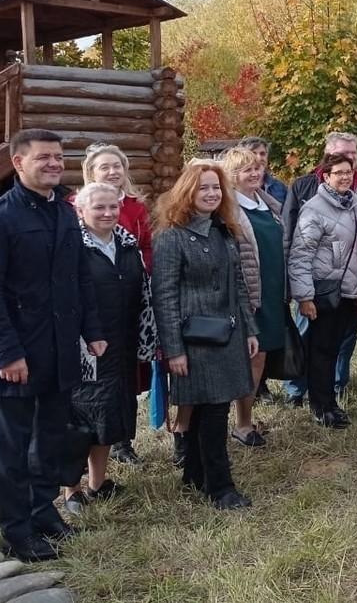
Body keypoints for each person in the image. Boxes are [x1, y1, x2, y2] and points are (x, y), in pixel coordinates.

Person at [0, 129, 106, 561]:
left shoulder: (64, 213)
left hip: (60, 349)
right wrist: (7, 353)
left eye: (58, 156)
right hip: (16, 356)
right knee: (13, 449)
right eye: (43, 157)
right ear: (18, 163)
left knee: (51, 438)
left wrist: (93, 329)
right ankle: (17, 530)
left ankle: (43, 511)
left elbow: (79, 277)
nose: (52, 163)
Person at [152, 160, 258, 510]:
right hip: (193, 341)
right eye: (204, 188)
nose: (211, 194)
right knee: (212, 413)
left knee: (210, 410)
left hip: (227, 334)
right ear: (187, 192)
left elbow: (239, 285)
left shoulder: (223, 231)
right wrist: (174, 350)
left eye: (216, 187)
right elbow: (163, 296)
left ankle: (194, 475)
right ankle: (221, 488)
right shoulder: (171, 238)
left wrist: (249, 329)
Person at [62, 183, 156, 515]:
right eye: (99, 208)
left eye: (112, 207)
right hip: (85, 347)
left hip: (123, 343)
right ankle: (71, 490)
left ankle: (98, 483)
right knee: (82, 417)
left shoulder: (127, 244)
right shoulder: (72, 247)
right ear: (81, 211)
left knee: (110, 413)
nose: (107, 213)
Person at [281, 132, 357, 406]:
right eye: (339, 173)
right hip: (323, 290)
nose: (345, 177)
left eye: (349, 172)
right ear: (326, 176)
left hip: (347, 291)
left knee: (335, 348)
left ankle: (328, 403)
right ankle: (320, 406)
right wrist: (304, 296)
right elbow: (300, 254)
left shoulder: (355, 206)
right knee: (320, 350)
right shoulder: (314, 209)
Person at [79, 143, 153, 464]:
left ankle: (124, 441)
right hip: (94, 312)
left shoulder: (136, 207)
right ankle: (84, 452)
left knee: (128, 379)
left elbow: (146, 248)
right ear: (91, 173)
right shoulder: (80, 208)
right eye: (104, 167)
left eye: (117, 166)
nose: (112, 172)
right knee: (92, 388)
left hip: (130, 301)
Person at [223, 146, 287, 447]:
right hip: (249, 297)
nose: (254, 172)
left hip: (273, 293)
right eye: (245, 169)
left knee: (260, 358)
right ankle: (243, 423)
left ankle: (245, 419)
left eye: (257, 167)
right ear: (232, 176)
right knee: (250, 358)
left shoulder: (269, 204)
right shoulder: (229, 211)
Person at [238, 136, 288, 204]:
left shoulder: (280, 187)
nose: (259, 158)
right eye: (253, 153)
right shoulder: (235, 188)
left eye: (262, 154)